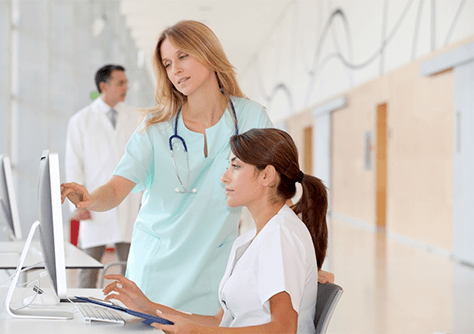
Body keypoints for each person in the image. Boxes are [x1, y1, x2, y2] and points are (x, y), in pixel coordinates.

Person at [61, 20, 332, 314]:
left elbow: (276, 197)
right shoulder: (156, 127)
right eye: (167, 63)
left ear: (208, 53)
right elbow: (117, 187)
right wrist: (91, 198)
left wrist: (296, 262)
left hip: (214, 269)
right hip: (155, 271)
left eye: (183, 56)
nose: (175, 70)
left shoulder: (251, 117)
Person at [102, 128, 329, 334]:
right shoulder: (249, 240)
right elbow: (219, 322)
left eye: (236, 166)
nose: (225, 177)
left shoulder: (281, 235)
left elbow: (283, 329)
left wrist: (196, 332)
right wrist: (150, 308)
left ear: (266, 176)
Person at [65, 64, 143, 288]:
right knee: (89, 268)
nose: (126, 87)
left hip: (129, 201)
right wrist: (77, 205)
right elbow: (73, 165)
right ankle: (84, 311)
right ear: (103, 86)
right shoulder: (80, 121)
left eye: (126, 82)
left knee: (132, 267)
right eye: (120, 83)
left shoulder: (136, 117)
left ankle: (129, 311)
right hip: (94, 203)